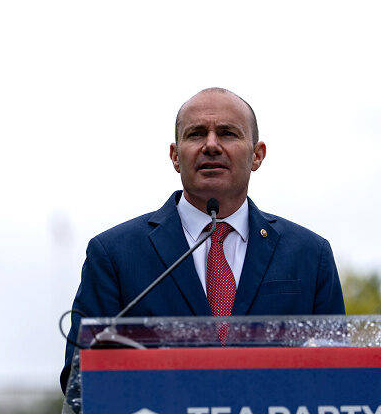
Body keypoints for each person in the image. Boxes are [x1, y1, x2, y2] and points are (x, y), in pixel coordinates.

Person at [61, 87, 345, 392]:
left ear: (257, 155)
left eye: (227, 134)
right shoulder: (115, 255)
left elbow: (339, 377)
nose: (211, 145)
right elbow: (82, 383)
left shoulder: (310, 255)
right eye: (196, 134)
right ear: (175, 156)